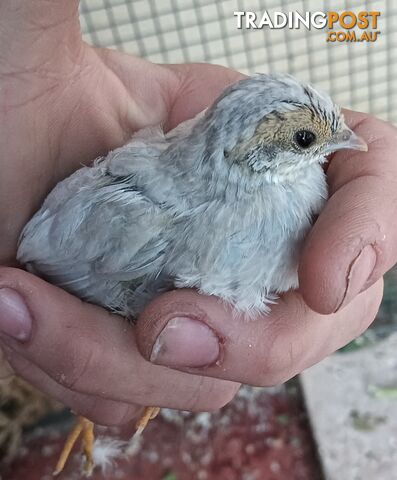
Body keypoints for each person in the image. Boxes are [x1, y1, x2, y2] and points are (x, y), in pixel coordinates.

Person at [0, 1, 393, 426]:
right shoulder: (164, 222)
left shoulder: (295, 190)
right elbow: (51, 264)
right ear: (254, 158)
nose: (345, 140)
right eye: (303, 139)